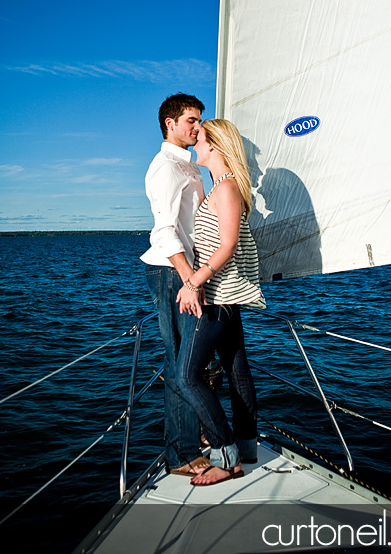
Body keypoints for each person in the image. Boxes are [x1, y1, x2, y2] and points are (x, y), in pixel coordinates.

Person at [176, 119, 266, 486]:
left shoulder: (227, 188)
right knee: (237, 371)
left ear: (215, 146)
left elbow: (226, 245)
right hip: (226, 296)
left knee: (186, 376)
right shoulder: (219, 188)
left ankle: (226, 456)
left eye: (200, 137)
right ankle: (245, 447)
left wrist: (193, 281)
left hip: (217, 298)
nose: (195, 141)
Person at [140, 93, 209, 475]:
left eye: (199, 120)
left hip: (188, 273)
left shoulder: (190, 166)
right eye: (191, 121)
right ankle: (180, 453)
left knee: (191, 358)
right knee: (181, 358)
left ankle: (192, 430)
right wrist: (189, 279)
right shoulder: (165, 167)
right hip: (172, 272)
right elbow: (165, 230)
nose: (198, 127)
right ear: (171, 123)